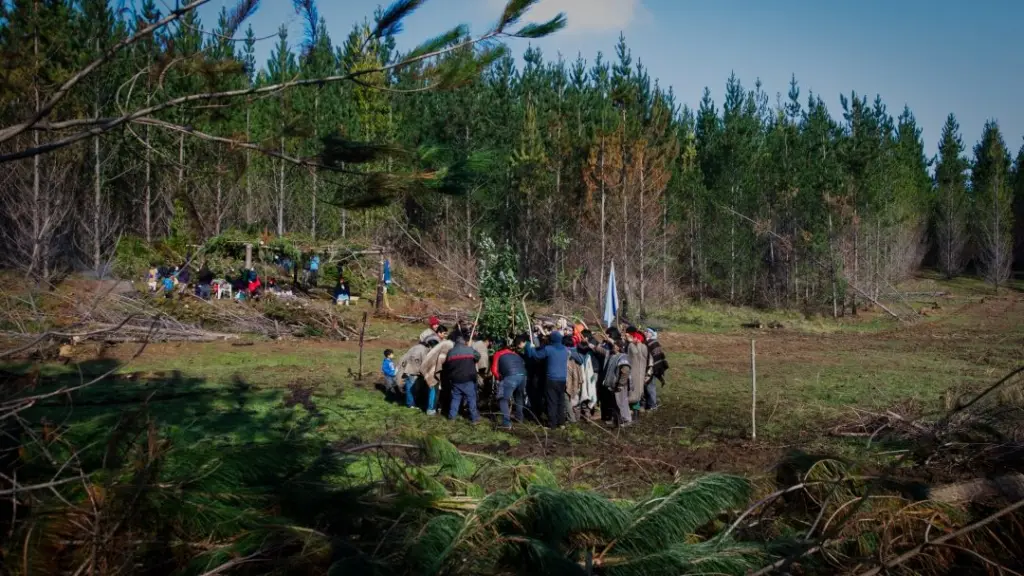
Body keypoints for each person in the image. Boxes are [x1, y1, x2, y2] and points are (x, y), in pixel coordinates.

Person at [525, 330, 584, 429]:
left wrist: (530, 348)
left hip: (551, 379)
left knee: (552, 401)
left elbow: (536, 356)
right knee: (560, 401)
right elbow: (579, 358)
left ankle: (552, 424)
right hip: (562, 379)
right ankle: (561, 423)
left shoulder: (549, 349)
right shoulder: (566, 349)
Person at [589, 336, 632, 427]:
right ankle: (616, 419)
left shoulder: (623, 358)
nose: (613, 346)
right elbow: (601, 350)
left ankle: (626, 420)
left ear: (619, 347)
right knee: (614, 403)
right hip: (612, 385)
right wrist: (591, 345)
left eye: (615, 345)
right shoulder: (611, 355)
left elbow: (625, 372)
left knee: (621, 403)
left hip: (619, 385)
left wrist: (620, 384)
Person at [442, 330, 481, 423]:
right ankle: (474, 419)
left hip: (455, 379)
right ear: (464, 342)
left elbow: (447, 365)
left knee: (455, 398)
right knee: (471, 398)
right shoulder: (469, 350)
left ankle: (452, 417)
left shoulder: (450, 352)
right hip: (468, 378)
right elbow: (478, 356)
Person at [491, 335, 528, 428]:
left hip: (511, 377)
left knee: (503, 398)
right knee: (519, 397)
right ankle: (520, 418)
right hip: (523, 376)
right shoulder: (516, 354)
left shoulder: (498, 354)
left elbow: (494, 370)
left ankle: (506, 423)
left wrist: (500, 378)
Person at [397, 334, 437, 410]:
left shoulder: (416, 347)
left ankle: (411, 403)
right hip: (414, 371)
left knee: (411, 388)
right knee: (412, 388)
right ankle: (410, 404)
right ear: (430, 346)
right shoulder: (424, 350)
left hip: (409, 370)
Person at [419, 325, 450, 415]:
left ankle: (431, 406)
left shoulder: (435, 339)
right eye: (444, 333)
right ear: (439, 332)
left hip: (429, 367)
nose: (445, 335)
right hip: (431, 369)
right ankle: (430, 409)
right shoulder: (434, 340)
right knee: (433, 389)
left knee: (432, 389)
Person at [625, 327, 651, 418]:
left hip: (636, 374)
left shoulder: (639, 347)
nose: (633, 339)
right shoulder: (643, 347)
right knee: (637, 393)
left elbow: (636, 354)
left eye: (635, 338)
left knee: (635, 394)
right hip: (639, 373)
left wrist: (631, 343)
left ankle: (631, 413)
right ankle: (635, 413)